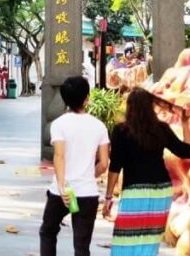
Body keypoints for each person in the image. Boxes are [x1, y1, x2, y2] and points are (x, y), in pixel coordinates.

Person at [102, 88, 190, 255]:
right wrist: (185, 123)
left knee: (125, 241)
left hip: (135, 192)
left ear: (130, 107)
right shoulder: (161, 129)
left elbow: (115, 167)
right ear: (150, 107)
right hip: (161, 192)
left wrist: (108, 197)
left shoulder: (121, 131)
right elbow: (187, 152)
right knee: (150, 241)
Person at [39, 75, 109, 256]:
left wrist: (62, 187)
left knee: (48, 232)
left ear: (64, 99)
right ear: (87, 98)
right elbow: (104, 163)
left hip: (61, 191)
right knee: (81, 245)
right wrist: (88, 175)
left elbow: (59, 156)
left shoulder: (59, 124)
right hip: (87, 193)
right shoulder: (99, 126)